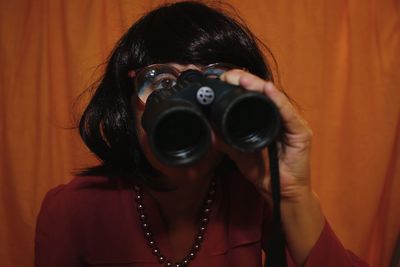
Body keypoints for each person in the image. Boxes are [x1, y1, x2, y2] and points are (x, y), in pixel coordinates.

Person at [35, 1, 369, 267]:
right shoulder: (73, 208)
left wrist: (292, 194)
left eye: (214, 84)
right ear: (126, 104)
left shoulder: (255, 198)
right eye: (161, 84)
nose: (188, 107)